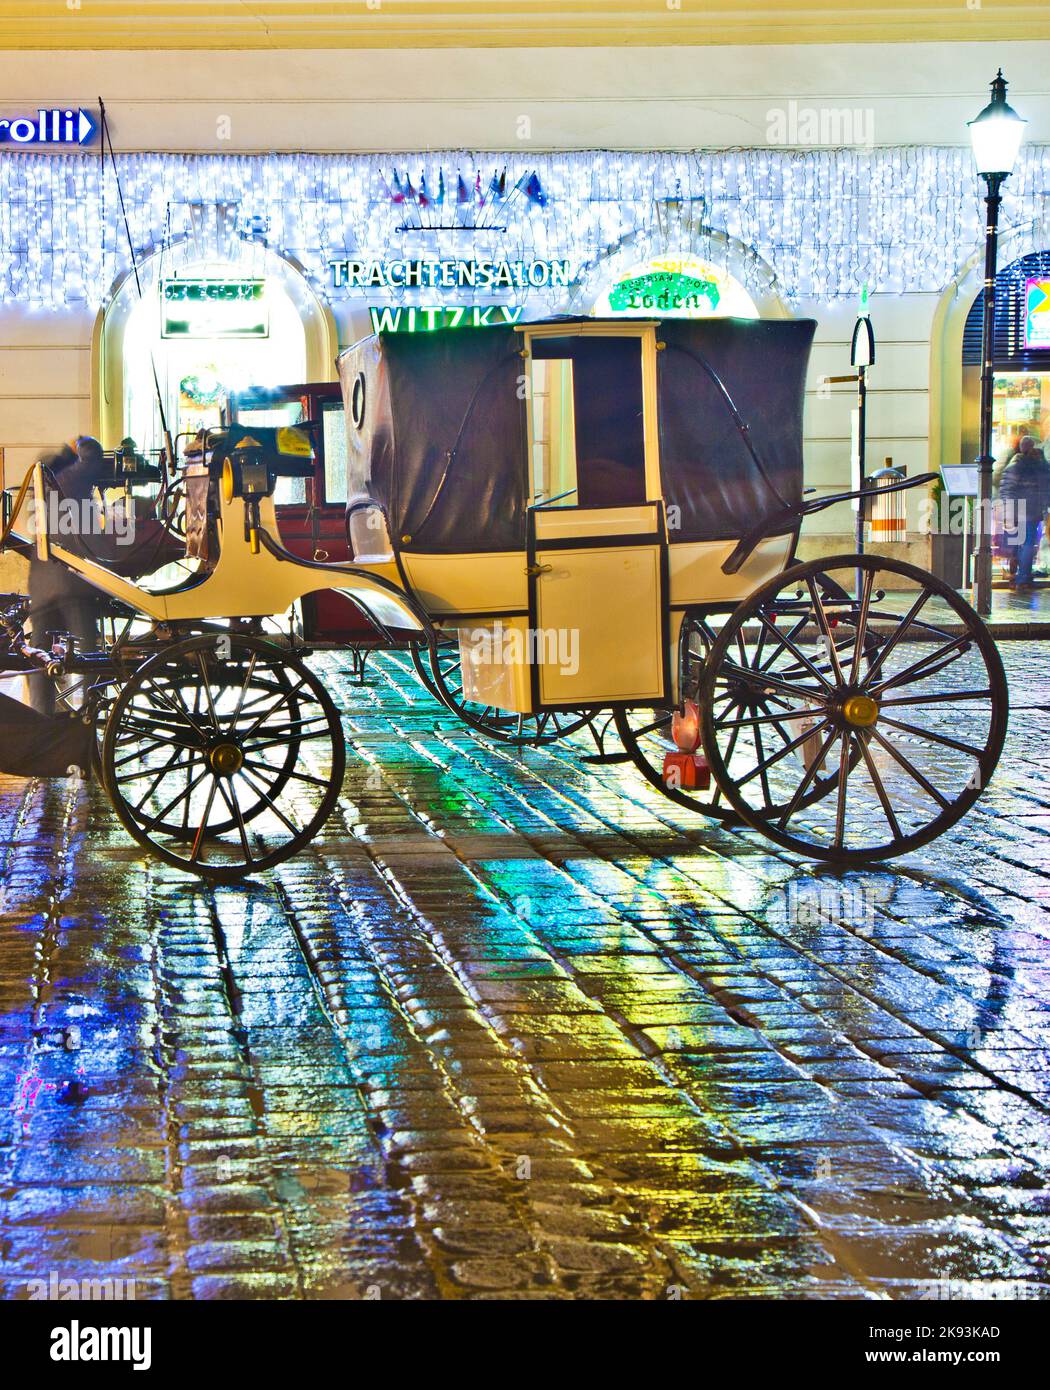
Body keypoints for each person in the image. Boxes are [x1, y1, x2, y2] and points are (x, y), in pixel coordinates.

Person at [27, 435, 108, 714]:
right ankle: (91, 714)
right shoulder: (69, 480)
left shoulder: (42, 488)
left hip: (42, 587)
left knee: (41, 655)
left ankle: (41, 718)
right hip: (73, 584)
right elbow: (93, 455)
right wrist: (80, 441)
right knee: (90, 655)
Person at [998, 435, 1050, 592]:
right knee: (1027, 543)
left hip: (1019, 509)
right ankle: (1023, 577)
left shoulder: (1016, 464)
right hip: (1034, 510)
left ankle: (1020, 577)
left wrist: (1008, 508)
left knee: (1021, 543)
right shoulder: (1042, 465)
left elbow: (1007, 488)